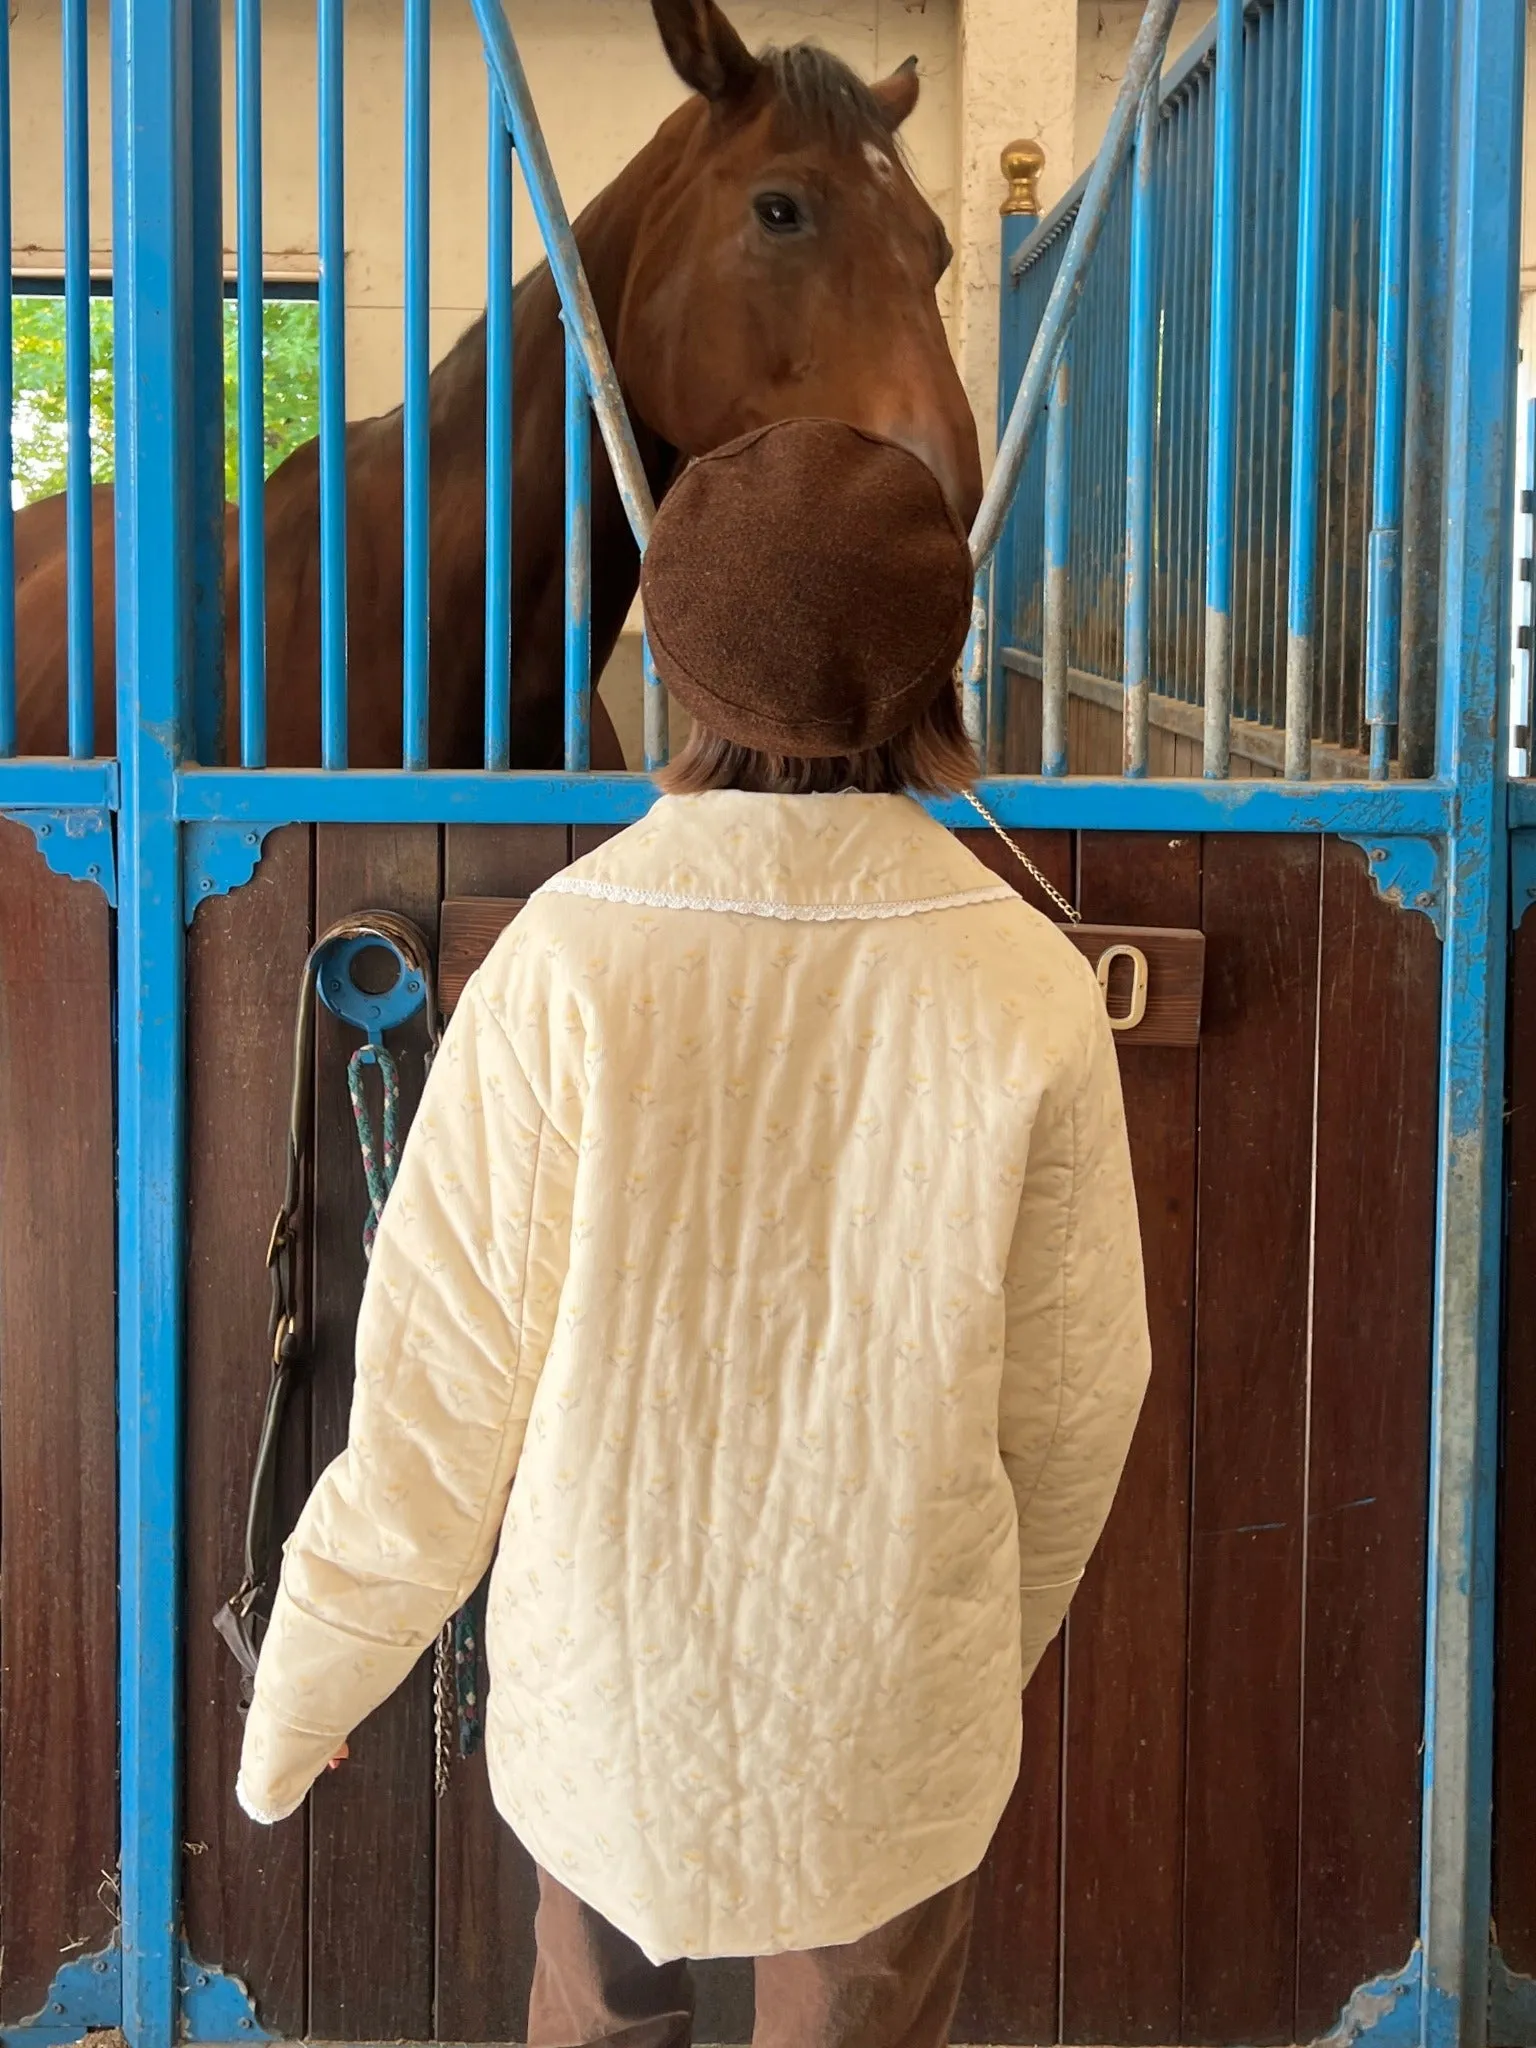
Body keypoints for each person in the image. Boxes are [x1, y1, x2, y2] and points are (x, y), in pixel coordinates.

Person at [237, 418, 1152, 2048]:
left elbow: (437, 1402)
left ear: (669, 654)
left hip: (609, 1714)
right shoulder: (1025, 982)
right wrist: (967, 1658)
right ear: (939, 666)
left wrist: (306, 1689)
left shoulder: (567, 965)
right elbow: (1077, 1405)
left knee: (594, 2019)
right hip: (888, 1720)